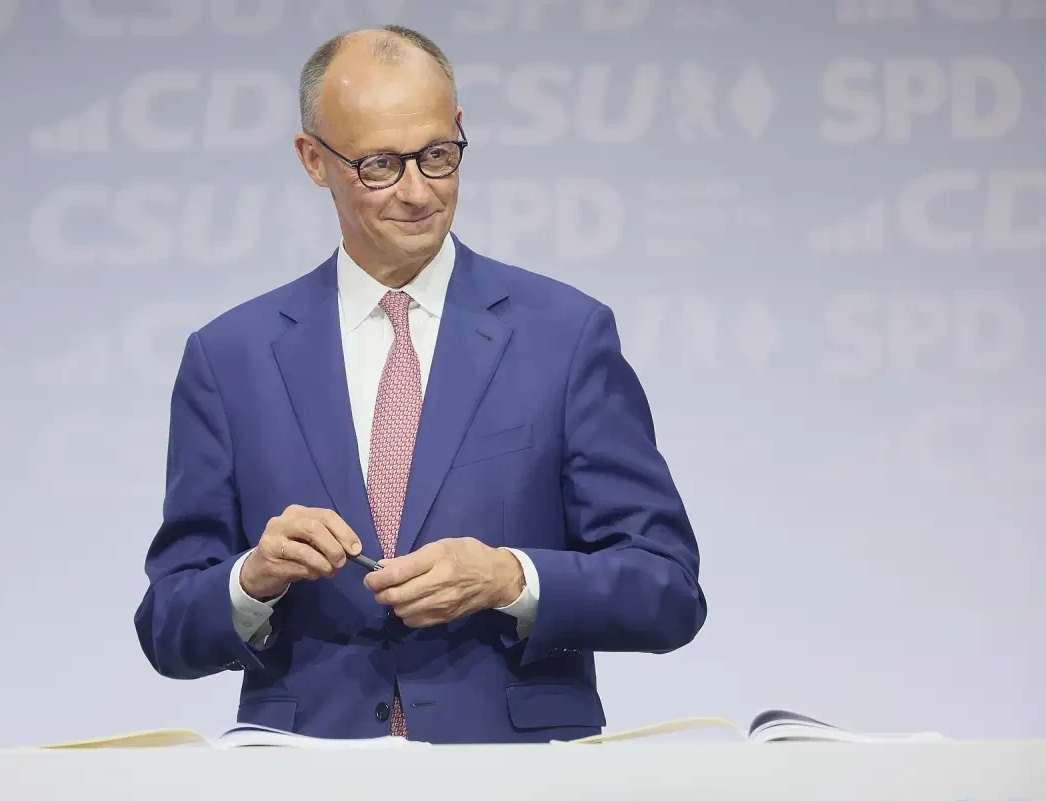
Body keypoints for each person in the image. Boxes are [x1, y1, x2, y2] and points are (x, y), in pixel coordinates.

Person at [133, 24, 707, 744]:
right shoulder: (230, 359)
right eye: (380, 165)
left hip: (518, 775)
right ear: (313, 160)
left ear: (460, 128)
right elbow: (167, 627)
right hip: (306, 773)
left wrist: (511, 578)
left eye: (438, 156)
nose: (417, 192)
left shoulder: (565, 336)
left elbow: (668, 589)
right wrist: (252, 578)